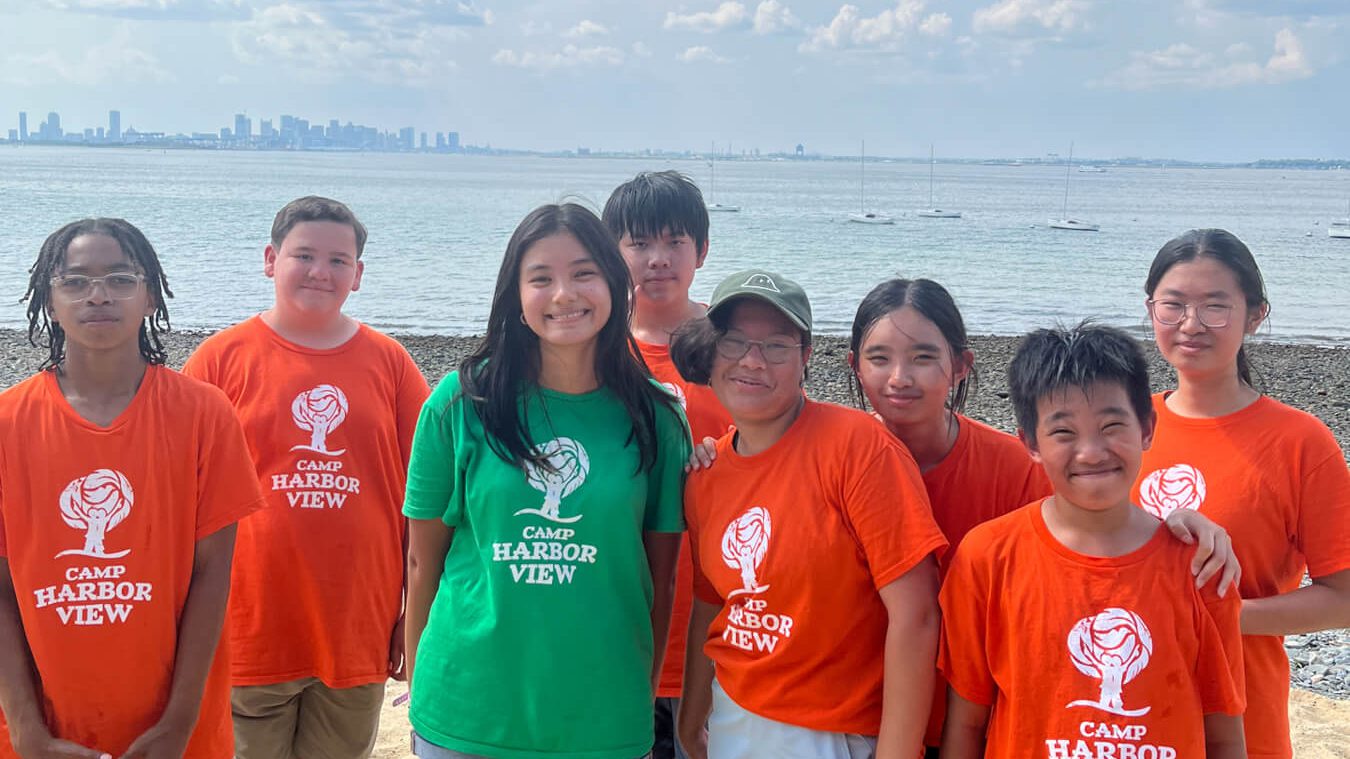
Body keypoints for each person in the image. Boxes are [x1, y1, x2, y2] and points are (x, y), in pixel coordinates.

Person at [845, 278, 1243, 756]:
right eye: (880, 357)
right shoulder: (840, 459)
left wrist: (1182, 525)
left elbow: (1091, 518)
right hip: (861, 715)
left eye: (924, 356)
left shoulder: (1013, 471)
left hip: (984, 715)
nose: (900, 378)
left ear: (960, 365)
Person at [402, 203, 691, 758]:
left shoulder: (654, 417)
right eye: (541, 278)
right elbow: (422, 563)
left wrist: (639, 692)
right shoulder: (462, 403)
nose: (564, 294)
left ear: (613, 282)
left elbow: (661, 578)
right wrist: (423, 684)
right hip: (466, 708)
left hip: (602, 716)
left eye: (584, 273)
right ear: (515, 294)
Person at [0, 218, 264, 758]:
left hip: (177, 728)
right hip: (45, 730)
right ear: (49, 301)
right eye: (75, 281)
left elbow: (213, 577)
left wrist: (178, 724)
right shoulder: (8, 422)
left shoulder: (203, 414)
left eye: (121, 279)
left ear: (150, 296)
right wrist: (26, 727)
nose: (98, 295)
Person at [182, 196, 430, 758]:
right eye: (304, 255)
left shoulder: (391, 364)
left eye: (339, 261)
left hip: (356, 627)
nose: (321, 271)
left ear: (358, 275)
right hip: (247, 626)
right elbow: (180, 500)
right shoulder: (219, 360)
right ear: (271, 259)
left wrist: (412, 614)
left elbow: (426, 501)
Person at [672, 270, 947, 759]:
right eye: (734, 342)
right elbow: (712, 601)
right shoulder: (705, 472)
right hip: (733, 717)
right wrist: (693, 717)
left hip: (834, 732)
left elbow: (917, 614)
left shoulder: (858, 447)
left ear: (805, 359)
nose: (752, 362)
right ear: (710, 352)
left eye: (776, 346)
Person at [939, 322, 1247, 759]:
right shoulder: (988, 556)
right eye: (1063, 433)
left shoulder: (1200, 565)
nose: (1091, 452)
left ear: (1146, 429)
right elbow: (967, 723)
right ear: (1030, 443)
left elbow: (1223, 736)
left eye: (1111, 425)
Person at [1136, 228, 1350, 759]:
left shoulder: (1300, 441)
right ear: (1150, 310)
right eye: (1174, 305)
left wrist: (1225, 615)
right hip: (1122, 717)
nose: (1191, 324)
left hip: (1243, 715)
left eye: (1215, 307)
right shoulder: (1119, 426)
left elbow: (1343, 598)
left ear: (1255, 315)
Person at [604, 171, 734, 759]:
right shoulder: (593, 347)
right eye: (638, 243)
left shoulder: (737, 343)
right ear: (612, 252)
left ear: (701, 250)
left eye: (675, 241)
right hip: (617, 610)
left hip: (718, 616)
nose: (658, 259)